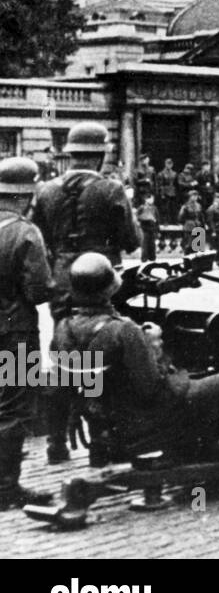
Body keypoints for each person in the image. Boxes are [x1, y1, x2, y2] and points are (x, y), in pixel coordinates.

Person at [54, 252, 219, 461]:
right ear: (109, 289)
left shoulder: (63, 329)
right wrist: (155, 348)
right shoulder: (124, 331)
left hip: (116, 420)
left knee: (203, 378)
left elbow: (68, 386)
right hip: (151, 418)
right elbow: (152, 389)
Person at [30, 121, 141, 464]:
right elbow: (132, 241)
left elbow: (41, 236)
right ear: (101, 154)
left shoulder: (46, 190)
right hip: (100, 276)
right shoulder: (110, 189)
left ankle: (56, 443)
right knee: (104, 356)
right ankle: (102, 443)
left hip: (62, 279)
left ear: (72, 153)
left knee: (64, 355)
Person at [0, 157, 55, 509]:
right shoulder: (25, 231)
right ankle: (6, 489)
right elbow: (39, 291)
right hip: (14, 332)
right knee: (13, 405)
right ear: (25, 194)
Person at [137, 194, 159, 262]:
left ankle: (152, 258)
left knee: (152, 244)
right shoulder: (141, 207)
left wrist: (157, 229)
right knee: (145, 244)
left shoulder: (154, 208)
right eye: (151, 199)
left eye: (153, 199)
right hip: (144, 228)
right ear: (146, 199)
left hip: (152, 228)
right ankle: (144, 258)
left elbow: (157, 218)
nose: (152, 200)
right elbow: (137, 217)